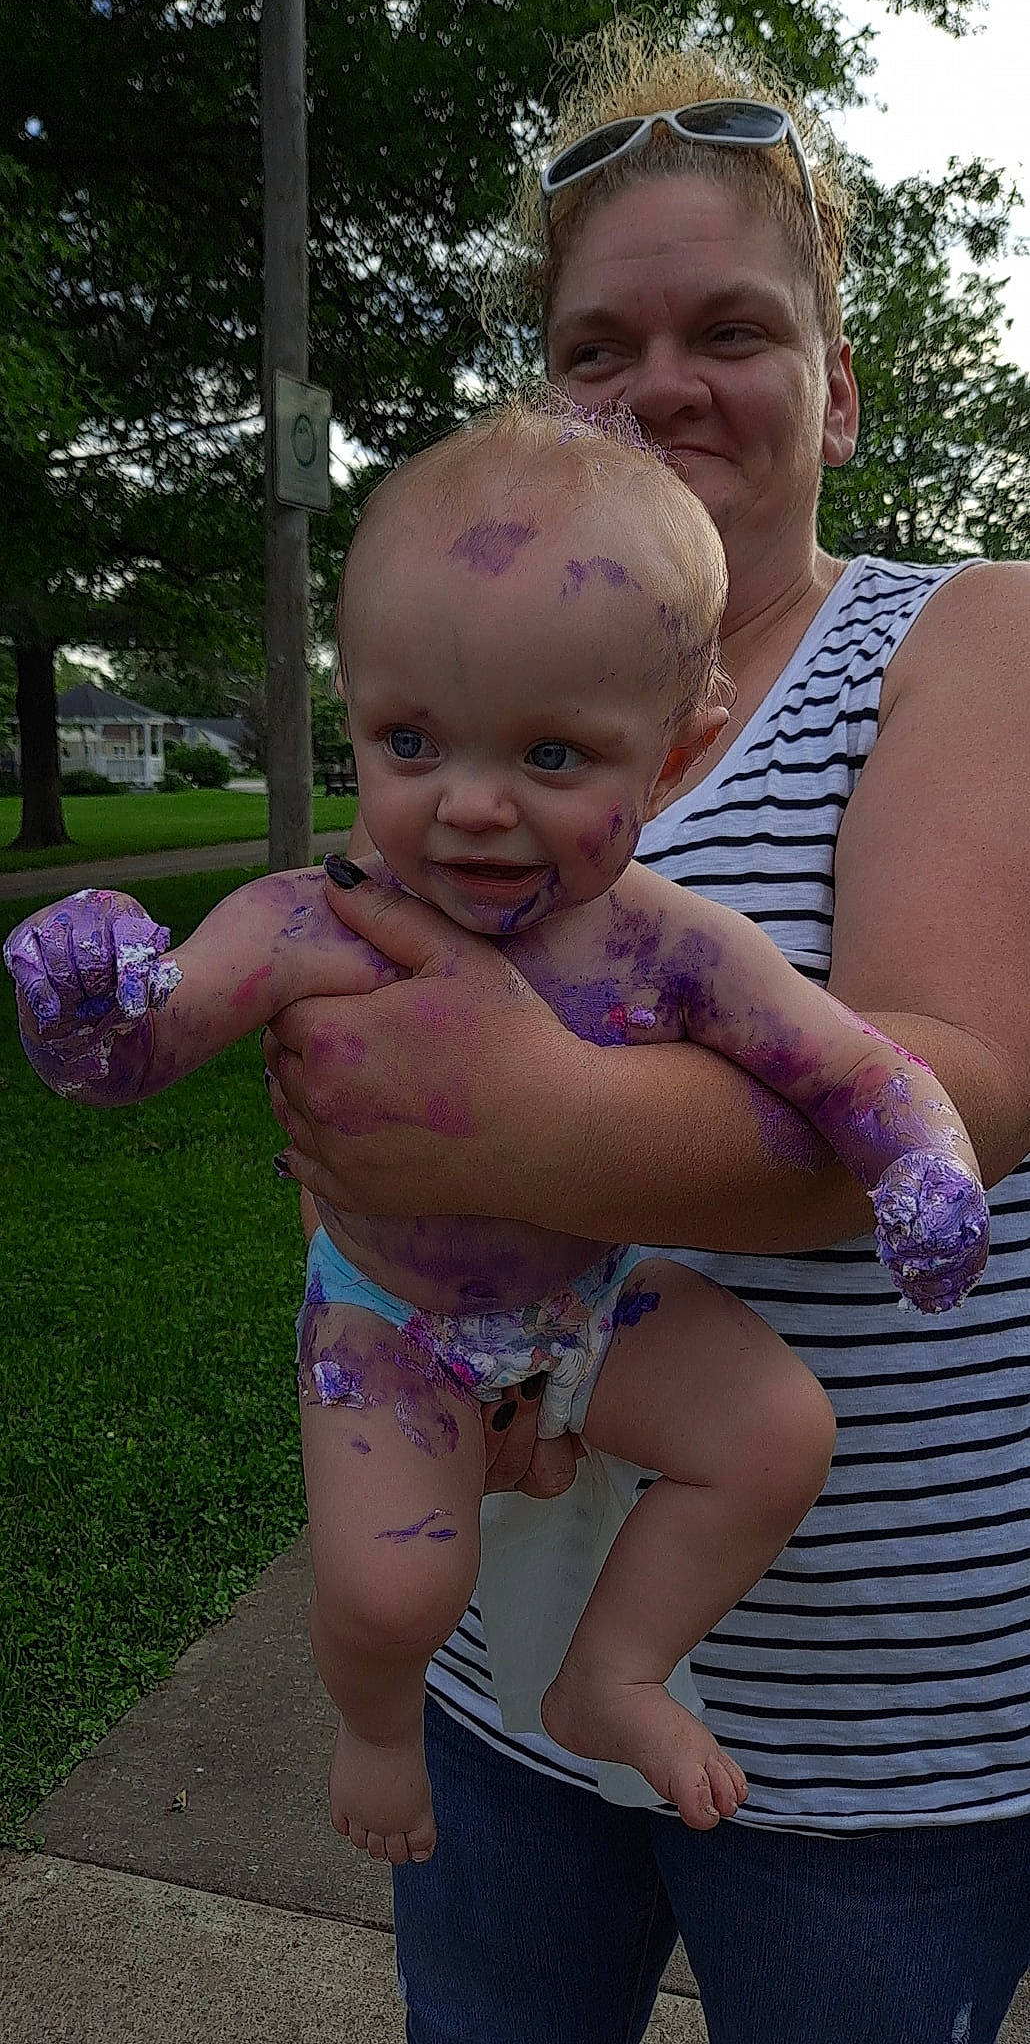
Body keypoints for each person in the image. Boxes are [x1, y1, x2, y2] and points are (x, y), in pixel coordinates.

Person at [254, 23, 1030, 2044]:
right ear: (547, 405)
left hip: (868, 1705)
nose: (659, 383)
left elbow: (959, 1072)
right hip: (506, 1637)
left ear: (837, 389)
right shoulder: (491, 704)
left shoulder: (964, 636)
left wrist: (501, 1133)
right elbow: (358, 1048)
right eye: (596, 349)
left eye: (730, 329)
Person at [5, 394, 990, 1870]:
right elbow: (138, 1052)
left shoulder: (667, 945)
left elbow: (848, 1067)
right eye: (411, 740)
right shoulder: (312, 920)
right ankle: (380, 1723)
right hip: (388, 1322)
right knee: (395, 1587)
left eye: (550, 756)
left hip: (593, 1303)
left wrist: (924, 1164)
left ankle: (614, 1670)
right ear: (357, 718)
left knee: (776, 1432)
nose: (470, 806)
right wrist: (84, 1002)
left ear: (672, 756)